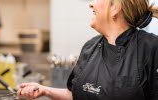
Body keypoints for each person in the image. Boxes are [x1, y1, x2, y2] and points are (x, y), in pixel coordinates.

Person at [17, 0, 158, 100]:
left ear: (116, 8)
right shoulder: (90, 47)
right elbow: (76, 94)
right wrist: (46, 91)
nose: (91, 3)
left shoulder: (151, 48)